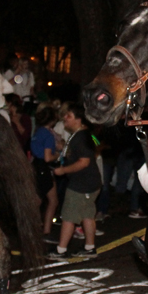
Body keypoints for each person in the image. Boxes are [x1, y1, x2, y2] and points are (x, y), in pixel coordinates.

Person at [47, 103, 101, 260]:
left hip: (81, 184)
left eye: (69, 116)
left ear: (79, 119)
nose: (65, 118)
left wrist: (62, 170)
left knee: (69, 216)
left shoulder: (81, 138)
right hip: (90, 182)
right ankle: (90, 248)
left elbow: (84, 161)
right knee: (87, 215)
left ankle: (61, 250)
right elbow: (94, 147)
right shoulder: (82, 135)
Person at [30, 105, 63, 243]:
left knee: (38, 200)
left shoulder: (37, 132)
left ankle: (34, 229)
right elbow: (48, 157)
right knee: (51, 201)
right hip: (44, 167)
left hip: (35, 166)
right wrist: (58, 155)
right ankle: (45, 231)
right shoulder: (48, 135)